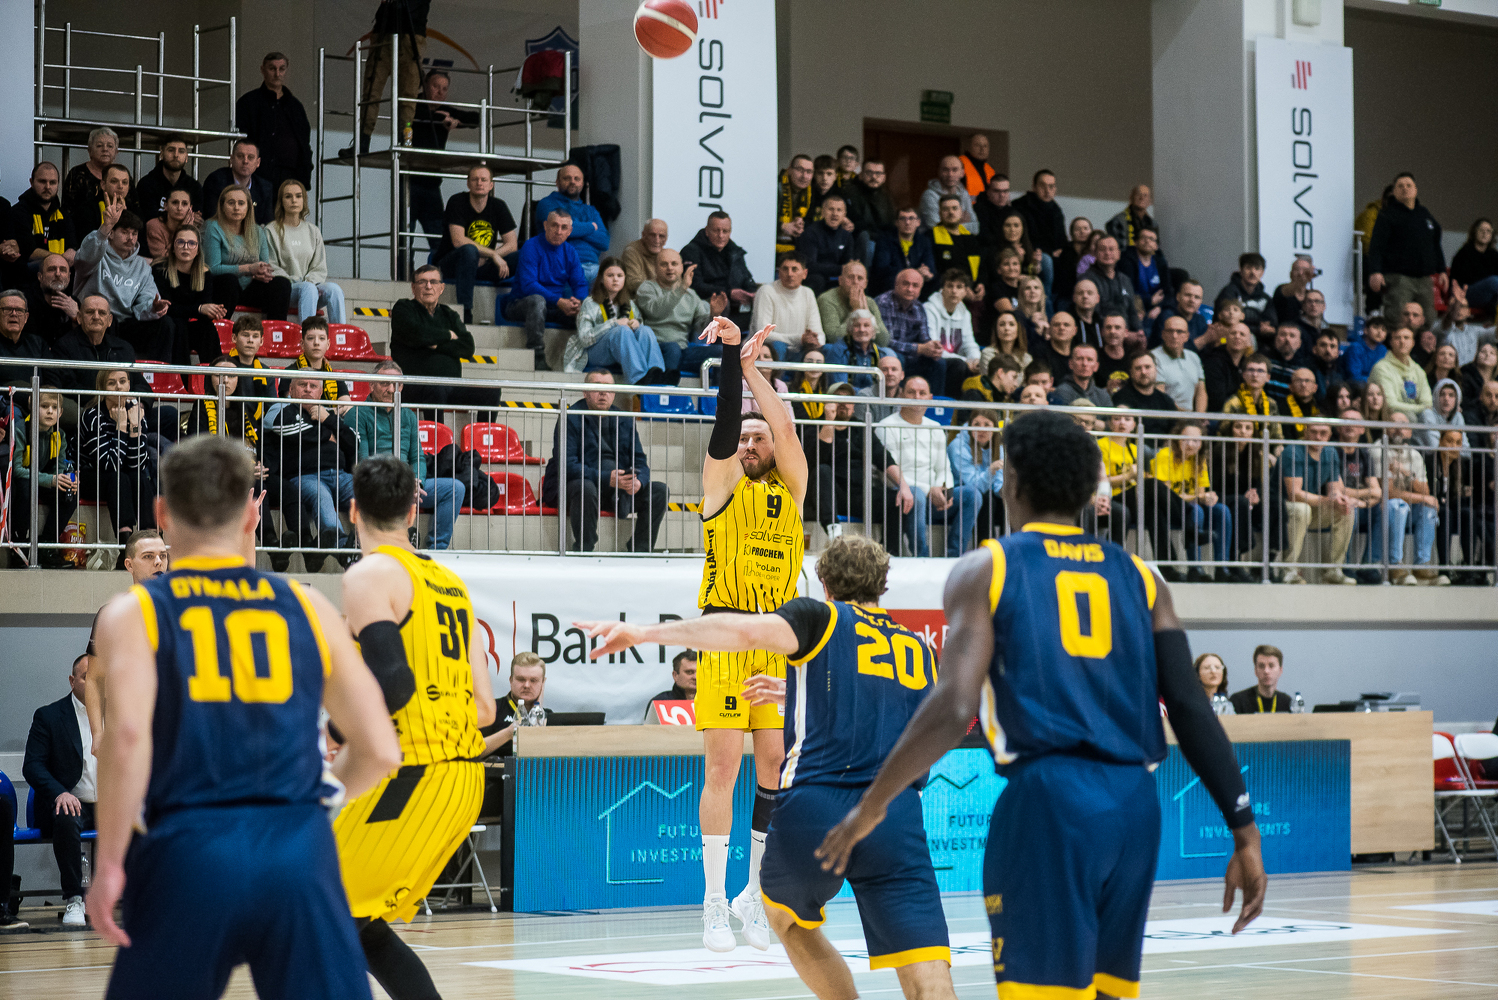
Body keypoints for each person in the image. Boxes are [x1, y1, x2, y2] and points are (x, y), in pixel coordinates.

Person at [816, 409, 1265, 1000]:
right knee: (1107, 992)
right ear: (1087, 490)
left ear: (1012, 483)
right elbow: (1189, 706)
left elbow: (953, 707)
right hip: (1135, 806)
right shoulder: (1144, 577)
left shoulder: (988, 567)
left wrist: (872, 805)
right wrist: (1244, 830)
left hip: (1049, 803)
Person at [84, 435, 402, 997]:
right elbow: (380, 749)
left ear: (162, 513)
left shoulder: (133, 612)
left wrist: (110, 863)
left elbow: (126, 738)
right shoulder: (307, 603)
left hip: (190, 851)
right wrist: (317, 805)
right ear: (253, 514)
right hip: (297, 851)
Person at [578, 535, 958, 1000]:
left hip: (819, 805)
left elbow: (741, 633)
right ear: (882, 584)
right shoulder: (916, 646)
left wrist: (643, 633)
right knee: (927, 970)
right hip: (895, 815)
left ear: (824, 583)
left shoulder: (819, 617)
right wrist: (797, 689)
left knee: (784, 917)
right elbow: (909, 715)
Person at [331, 454, 496, 1000]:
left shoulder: (368, 575)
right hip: (462, 780)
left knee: (310, 907)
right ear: (412, 511)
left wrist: (336, 732)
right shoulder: (451, 585)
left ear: (352, 510)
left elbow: (394, 684)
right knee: (355, 925)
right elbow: (486, 709)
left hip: (410, 776)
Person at [687, 316, 808, 952]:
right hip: (726, 635)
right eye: (745, 438)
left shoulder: (791, 490)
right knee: (723, 768)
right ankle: (713, 902)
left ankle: (754, 895)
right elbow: (726, 427)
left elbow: (785, 429)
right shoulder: (720, 487)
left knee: (774, 769)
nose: (752, 443)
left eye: (759, 437)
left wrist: (754, 371)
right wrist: (733, 362)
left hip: (777, 640)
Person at [542, 370, 670, 553]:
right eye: (597, 387)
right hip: (577, 487)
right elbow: (566, 464)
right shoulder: (571, 417)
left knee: (659, 491)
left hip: (617, 490)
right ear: (585, 392)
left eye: (608, 388)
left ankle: (640, 550)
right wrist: (605, 478)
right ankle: (584, 549)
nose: (603, 393)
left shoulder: (624, 419)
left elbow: (640, 460)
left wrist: (638, 482)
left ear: (614, 393)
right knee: (585, 488)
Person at [23, 655, 98, 925]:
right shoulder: (49, 716)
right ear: (72, 681)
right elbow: (32, 766)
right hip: (69, 803)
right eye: (87, 677)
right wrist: (60, 792)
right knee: (67, 815)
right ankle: (75, 899)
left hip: (107, 805)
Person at [801, 382, 913, 547]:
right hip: (828, 495)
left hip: (859, 493)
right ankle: (835, 534)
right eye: (838, 399)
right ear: (827, 403)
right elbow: (816, 460)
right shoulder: (813, 426)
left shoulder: (860, 428)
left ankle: (889, 552)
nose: (843, 403)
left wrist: (903, 486)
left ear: (853, 406)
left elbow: (883, 458)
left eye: (848, 399)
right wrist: (829, 421)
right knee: (822, 470)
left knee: (896, 500)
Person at [878, 376, 981, 556]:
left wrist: (944, 490)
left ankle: (954, 555)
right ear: (901, 395)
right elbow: (888, 472)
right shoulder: (885, 426)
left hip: (932, 498)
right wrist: (928, 491)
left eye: (922, 393)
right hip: (902, 496)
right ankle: (922, 556)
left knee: (972, 495)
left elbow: (943, 468)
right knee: (916, 494)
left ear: (930, 398)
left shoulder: (935, 427)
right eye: (911, 392)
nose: (917, 397)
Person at [73, 198, 181, 365]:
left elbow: (146, 299)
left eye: (134, 233)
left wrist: (153, 307)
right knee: (110, 321)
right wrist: (104, 229)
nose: (130, 238)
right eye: (124, 232)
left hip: (126, 323)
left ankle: (158, 375)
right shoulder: (97, 255)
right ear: (111, 233)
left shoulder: (141, 266)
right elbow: (83, 259)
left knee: (167, 324)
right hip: (97, 319)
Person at [264, 375, 360, 561]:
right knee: (321, 496)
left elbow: (353, 441)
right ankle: (343, 549)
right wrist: (328, 433)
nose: (308, 389)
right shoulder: (282, 408)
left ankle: (374, 545)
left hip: (341, 475)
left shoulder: (327, 413)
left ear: (321, 392)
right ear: (291, 390)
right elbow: (289, 429)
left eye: (313, 386)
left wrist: (328, 419)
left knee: (368, 493)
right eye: (303, 385)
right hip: (305, 476)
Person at [387, 265, 500, 415]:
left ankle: (484, 432)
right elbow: (416, 334)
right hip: (414, 385)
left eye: (433, 282)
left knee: (491, 392)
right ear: (413, 288)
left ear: (441, 288)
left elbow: (467, 347)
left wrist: (435, 345)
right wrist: (448, 335)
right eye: (422, 282)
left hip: (451, 385)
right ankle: (435, 432)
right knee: (435, 389)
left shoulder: (449, 314)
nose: (428, 286)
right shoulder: (403, 308)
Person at [79, 368, 160, 563]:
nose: (118, 387)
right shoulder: (92, 416)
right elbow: (109, 464)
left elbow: (136, 463)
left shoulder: (136, 412)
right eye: (111, 383)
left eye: (123, 381)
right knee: (119, 477)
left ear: (129, 385)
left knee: (139, 477)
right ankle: (126, 547)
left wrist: (134, 427)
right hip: (89, 475)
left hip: (120, 476)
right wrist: (121, 428)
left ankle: (154, 541)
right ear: (102, 388)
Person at [342, 0, 430, 158]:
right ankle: (363, 141)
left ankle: (405, 142)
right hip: (386, 29)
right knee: (372, 92)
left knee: (407, 96)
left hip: (412, 30)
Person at [405, 70, 479, 255]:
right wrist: (442, 119)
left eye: (444, 89)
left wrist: (455, 121)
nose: (440, 92)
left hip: (432, 184)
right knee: (404, 240)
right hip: (408, 182)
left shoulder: (445, 110)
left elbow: (476, 118)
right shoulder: (411, 105)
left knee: (439, 241)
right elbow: (419, 115)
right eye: (435, 86)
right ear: (425, 86)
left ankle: (438, 272)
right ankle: (403, 273)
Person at [503, 209, 586, 368]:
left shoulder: (570, 252)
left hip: (554, 307)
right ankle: (537, 355)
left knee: (588, 308)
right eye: (554, 225)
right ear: (546, 225)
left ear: (570, 231)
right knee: (538, 301)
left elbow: (580, 283)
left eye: (563, 227)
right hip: (520, 304)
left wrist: (579, 301)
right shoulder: (531, 246)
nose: (558, 231)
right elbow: (529, 286)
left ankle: (581, 360)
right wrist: (559, 301)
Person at [564, 257, 666, 384]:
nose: (615, 279)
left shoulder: (630, 304)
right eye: (610, 275)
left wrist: (637, 325)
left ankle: (658, 374)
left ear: (624, 279)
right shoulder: (590, 303)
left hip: (622, 353)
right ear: (601, 279)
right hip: (594, 353)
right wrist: (613, 324)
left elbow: (640, 337)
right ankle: (638, 379)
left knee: (645, 330)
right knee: (622, 330)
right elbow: (584, 339)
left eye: (619, 276)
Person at [1279, 421, 1357, 585]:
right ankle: (1288, 569)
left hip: (1312, 505)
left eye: (1323, 433)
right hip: (1282, 507)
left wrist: (1339, 499)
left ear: (1330, 435)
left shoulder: (1331, 452)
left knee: (1346, 510)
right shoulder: (1293, 451)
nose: (1318, 437)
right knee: (1302, 509)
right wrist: (1327, 500)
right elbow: (1294, 494)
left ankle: (1334, 570)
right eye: (1314, 432)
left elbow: (1333, 488)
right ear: (1305, 432)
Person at [440, 164, 519, 326]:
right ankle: (465, 312)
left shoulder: (498, 206)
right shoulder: (457, 201)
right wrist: (493, 254)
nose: (479, 183)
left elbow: (512, 244)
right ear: (468, 183)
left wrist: (492, 257)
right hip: (453, 264)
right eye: (475, 179)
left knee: (523, 255)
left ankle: (516, 307)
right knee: (469, 251)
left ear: (491, 185)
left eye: (484, 180)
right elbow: (458, 240)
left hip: (482, 266)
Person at [1367, 172, 1446, 326]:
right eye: (1400, 186)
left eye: (1409, 185)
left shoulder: (1424, 214)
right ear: (1394, 191)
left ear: (1415, 190)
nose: (1405, 188)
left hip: (1424, 278)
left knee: (1428, 319)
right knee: (1398, 318)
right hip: (1398, 278)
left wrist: (1442, 269)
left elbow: (1435, 244)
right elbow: (1376, 246)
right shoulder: (1387, 215)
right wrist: (1375, 271)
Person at [12, 389, 79, 566]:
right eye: (44, 406)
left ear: (61, 412)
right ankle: (19, 545)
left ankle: (47, 545)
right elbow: (17, 470)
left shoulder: (60, 434)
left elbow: (59, 467)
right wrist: (51, 480)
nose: (50, 411)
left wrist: (68, 478)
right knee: (24, 489)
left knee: (69, 493)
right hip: (22, 482)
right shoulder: (20, 429)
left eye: (55, 407)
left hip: (44, 481)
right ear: (33, 407)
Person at [204, 186, 292, 320]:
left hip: (250, 287)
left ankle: (275, 329)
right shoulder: (213, 227)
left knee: (282, 284)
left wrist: (261, 272)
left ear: (248, 207)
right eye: (231, 203)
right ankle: (221, 327)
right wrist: (248, 268)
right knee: (229, 281)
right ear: (222, 206)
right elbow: (213, 268)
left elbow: (264, 264)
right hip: (224, 288)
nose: (236, 208)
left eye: (241, 203)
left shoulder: (258, 231)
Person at [266, 179, 345, 324]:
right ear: (281, 201)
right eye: (288, 196)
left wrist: (310, 282)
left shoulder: (313, 231)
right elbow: (271, 265)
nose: (294, 200)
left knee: (335, 290)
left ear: (304, 200)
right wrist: (300, 283)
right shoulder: (271, 230)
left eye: (298, 196)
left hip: (311, 287)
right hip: (288, 290)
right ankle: (308, 334)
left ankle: (340, 335)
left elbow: (319, 267)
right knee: (308, 289)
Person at [1211, 418, 1282, 576]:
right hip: (1222, 498)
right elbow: (1213, 487)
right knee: (1240, 502)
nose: (1243, 431)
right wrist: (1243, 497)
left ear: (1253, 433)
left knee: (1275, 503)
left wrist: (1256, 495)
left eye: (1248, 428)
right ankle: (1235, 560)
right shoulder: (1218, 452)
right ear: (1231, 430)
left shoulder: (1256, 453)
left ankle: (1270, 558)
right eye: (1238, 427)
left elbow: (1258, 484)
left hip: (1245, 502)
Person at [1378, 411, 1443, 585]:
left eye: (1403, 425)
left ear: (1410, 432)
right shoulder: (1379, 450)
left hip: (1409, 508)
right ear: (1385, 429)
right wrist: (1420, 497)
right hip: (1384, 509)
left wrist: (1407, 474)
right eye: (1394, 424)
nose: (1399, 429)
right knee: (1398, 505)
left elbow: (1425, 491)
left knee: (1429, 509)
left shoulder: (1414, 455)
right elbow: (1388, 492)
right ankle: (1395, 565)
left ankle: (1421, 565)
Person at [235, 53, 313, 195]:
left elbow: (304, 143)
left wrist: (305, 175)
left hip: (292, 175)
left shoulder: (295, 106)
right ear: (262, 70)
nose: (277, 74)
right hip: (259, 174)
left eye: (281, 69)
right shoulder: (248, 102)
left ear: (286, 70)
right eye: (272, 68)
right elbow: (241, 141)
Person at [637, 248, 719, 375]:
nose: (669, 268)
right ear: (655, 268)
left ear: (681, 267)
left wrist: (714, 315)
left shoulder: (691, 295)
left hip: (683, 351)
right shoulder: (647, 288)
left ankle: (722, 389)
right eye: (664, 264)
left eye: (674, 264)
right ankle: (663, 385)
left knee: (722, 352)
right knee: (672, 348)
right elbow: (656, 312)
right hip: (655, 350)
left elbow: (700, 328)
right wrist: (681, 289)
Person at [1429, 427, 1495, 586]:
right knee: (1446, 514)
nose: (1453, 446)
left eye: (1458, 443)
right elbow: (1432, 492)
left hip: (1451, 506)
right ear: (1440, 442)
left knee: (1468, 513)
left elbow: (1459, 497)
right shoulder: (1430, 462)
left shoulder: (1462, 465)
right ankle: (1444, 569)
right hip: (1434, 507)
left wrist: (1464, 494)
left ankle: (1469, 567)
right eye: (1449, 441)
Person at [150, 226, 224, 363]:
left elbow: (204, 309)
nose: (186, 247)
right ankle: (182, 376)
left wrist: (213, 311)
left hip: (187, 329)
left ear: (198, 249)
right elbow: (167, 308)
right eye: (180, 242)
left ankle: (217, 373)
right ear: (173, 247)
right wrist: (199, 309)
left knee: (207, 328)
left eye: (191, 243)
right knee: (178, 324)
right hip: (167, 328)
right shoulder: (160, 270)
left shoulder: (204, 273)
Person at [52, 295, 144, 395]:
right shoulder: (64, 346)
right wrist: (106, 400)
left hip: (119, 403)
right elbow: (68, 387)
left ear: (109, 320)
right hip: (81, 404)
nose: (96, 317)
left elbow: (140, 384)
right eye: (90, 312)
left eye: (102, 313)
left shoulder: (123, 348)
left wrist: (140, 402)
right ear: (79, 318)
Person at [534, 164, 609, 284]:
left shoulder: (591, 210)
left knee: (616, 281)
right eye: (567, 178)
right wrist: (591, 227)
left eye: (577, 179)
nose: (572, 182)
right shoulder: (547, 204)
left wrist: (575, 228)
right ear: (557, 182)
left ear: (582, 184)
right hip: (563, 265)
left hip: (594, 268)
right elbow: (560, 230)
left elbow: (604, 241)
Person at [682, 211, 758, 329]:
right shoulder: (691, 251)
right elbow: (694, 285)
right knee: (721, 302)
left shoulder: (735, 252)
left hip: (736, 303)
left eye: (725, 231)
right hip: (707, 302)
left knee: (763, 297)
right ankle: (719, 341)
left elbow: (746, 279)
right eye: (716, 231)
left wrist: (752, 293)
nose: (721, 235)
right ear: (707, 231)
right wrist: (728, 293)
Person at [480, 653, 553, 759]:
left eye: (533, 680)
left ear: (542, 683)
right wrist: (508, 734)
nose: (527, 685)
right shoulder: (491, 709)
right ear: (511, 680)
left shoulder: (547, 716)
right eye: (521, 679)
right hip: (495, 770)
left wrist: (538, 713)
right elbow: (470, 752)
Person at [750, 253, 824, 358]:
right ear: (779, 273)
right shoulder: (766, 291)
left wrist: (815, 340)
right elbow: (762, 333)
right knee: (778, 346)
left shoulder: (808, 293)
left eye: (794, 269)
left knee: (828, 349)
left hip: (799, 349)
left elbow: (818, 333)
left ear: (805, 273)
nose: (790, 274)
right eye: (785, 269)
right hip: (769, 349)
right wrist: (800, 339)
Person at [923, 268, 981, 396]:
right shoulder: (929, 308)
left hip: (957, 361)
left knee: (977, 366)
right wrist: (966, 361)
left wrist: (976, 360)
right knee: (959, 365)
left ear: (965, 291)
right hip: (933, 359)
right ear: (942, 289)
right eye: (950, 286)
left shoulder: (965, 313)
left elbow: (969, 343)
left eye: (959, 287)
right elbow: (934, 346)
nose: (954, 291)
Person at [949, 411, 1005, 540]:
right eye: (977, 424)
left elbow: (999, 484)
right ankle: (985, 547)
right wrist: (991, 470)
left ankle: (1008, 547)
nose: (981, 429)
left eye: (987, 425)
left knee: (1006, 500)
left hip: (986, 493)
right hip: (962, 495)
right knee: (986, 499)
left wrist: (1006, 491)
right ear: (969, 426)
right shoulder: (957, 446)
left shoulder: (999, 448)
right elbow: (973, 485)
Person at [13, 163, 76, 269]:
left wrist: (71, 251)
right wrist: (60, 259)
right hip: (28, 273)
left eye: (52, 182)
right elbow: (28, 251)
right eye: (42, 181)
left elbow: (72, 245)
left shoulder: (63, 214)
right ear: (31, 182)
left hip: (61, 272)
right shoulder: (18, 212)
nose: (47, 187)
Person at [131, 134, 203, 224]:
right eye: (171, 150)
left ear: (186, 157)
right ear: (161, 154)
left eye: (181, 151)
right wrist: (183, 218)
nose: (176, 155)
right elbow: (150, 220)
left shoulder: (194, 187)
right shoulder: (146, 184)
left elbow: (196, 220)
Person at [202, 140, 276, 227]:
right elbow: (212, 218)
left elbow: (267, 224)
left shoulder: (265, 187)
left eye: (250, 157)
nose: (245, 161)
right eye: (240, 156)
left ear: (258, 162)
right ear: (231, 159)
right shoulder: (216, 181)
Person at [0, 288, 62, 390]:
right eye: (7, 309)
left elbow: (53, 380)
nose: (14, 314)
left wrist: (45, 396)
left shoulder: (38, 344)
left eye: (19, 310)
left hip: (39, 399)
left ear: (26, 318)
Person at [818, 259, 889, 347]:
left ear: (865, 284)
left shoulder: (870, 302)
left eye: (860, 278)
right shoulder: (827, 299)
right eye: (851, 277)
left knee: (889, 353)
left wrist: (868, 314)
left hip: (865, 348)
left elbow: (883, 341)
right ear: (840, 280)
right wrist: (855, 311)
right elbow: (833, 339)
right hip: (840, 349)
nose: (855, 282)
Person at [797, 193, 856, 294]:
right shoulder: (811, 233)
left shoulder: (847, 236)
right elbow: (810, 266)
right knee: (817, 280)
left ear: (844, 214)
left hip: (837, 277)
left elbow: (847, 263)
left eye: (839, 210)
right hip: (816, 277)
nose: (835, 214)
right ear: (822, 212)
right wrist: (840, 269)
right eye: (831, 209)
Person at [870, 207, 936, 296]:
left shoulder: (924, 241)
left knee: (935, 280)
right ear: (896, 223)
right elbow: (882, 269)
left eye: (911, 218)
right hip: (892, 285)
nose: (907, 222)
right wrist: (913, 273)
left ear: (918, 222)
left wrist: (928, 274)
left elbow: (930, 265)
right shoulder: (885, 240)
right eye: (902, 218)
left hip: (917, 283)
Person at [930, 195, 986, 300]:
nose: (951, 212)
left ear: (961, 212)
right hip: (944, 295)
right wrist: (962, 289)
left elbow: (981, 267)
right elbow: (935, 272)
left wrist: (981, 283)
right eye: (946, 209)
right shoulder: (931, 237)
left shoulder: (970, 238)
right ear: (939, 213)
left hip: (973, 294)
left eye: (954, 208)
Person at [1112, 350, 1181, 433]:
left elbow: (1174, 430)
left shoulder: (1166, 401)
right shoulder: (1120, 398)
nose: (1143, 372)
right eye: (1138, 368)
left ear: (1156, 370)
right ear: (1131, 372)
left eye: (1147, 367)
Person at [1371, 326, 1433, 418]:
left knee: (1428, 415)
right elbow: (1390, 404)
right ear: (1391, 342)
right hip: (1391, 418)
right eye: (1397, 338)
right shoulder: (1381, 368)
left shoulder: (1418, 370)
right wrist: (1421, 408)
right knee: (1409, 415)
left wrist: (1423, 409)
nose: (1402, 341)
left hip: (1418, 418)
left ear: (1413, 343)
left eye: (1406, 338)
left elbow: (1427, 403)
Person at [1215, 253, 1278, 342]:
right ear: (1241, 270)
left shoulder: (1265, 298)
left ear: (1262, 273)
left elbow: (1271, 326)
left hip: (1259, 342)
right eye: (1248, 268)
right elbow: (1227, 322)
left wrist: (1267, 329)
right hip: (1228, 339)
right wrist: (1258, 329)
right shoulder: (1229, 292)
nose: (1253, 273)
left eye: (1257, 269)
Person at [62, 128, 118, 227]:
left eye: (110, 146)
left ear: (116, 152)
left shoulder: (122, 175)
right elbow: (67, 211)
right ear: (90, 150)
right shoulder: (76, 174)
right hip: (81, 230)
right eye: (99, 145)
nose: (105, 149)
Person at [1082, 236, 1141, 332]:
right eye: (1102, 249)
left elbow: (1132, 312)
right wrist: (1122, 333)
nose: (1107, 253)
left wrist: (1139, 331)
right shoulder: (1087, 281)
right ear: (1095, 254)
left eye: (1111, 249)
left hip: (1126, 332)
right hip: (1102, 333)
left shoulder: (1125, 280)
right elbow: (1091, 315)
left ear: (1118, 254)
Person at [1223, 354, 1285, 443]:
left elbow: (1277, 437)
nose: (1255, 375)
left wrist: (1278, 448)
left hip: (1266, 449)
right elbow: (1224, 435)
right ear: (1244, 375)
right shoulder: (1233, 402)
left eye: (1260, 371)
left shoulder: (1271, 403)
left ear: (1268, 377)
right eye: (1251, 370)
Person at [1151, 315, 1207, 411]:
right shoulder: (1153, 357)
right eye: (1170, 331)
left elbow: (1201, 391)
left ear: (1187, 336)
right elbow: (1160, 396)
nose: (1174, 336)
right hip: (1165, 414)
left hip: (1190, 416)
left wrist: (1200, 416)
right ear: (1163, 334)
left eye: (1179, 331)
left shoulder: (1194, 357)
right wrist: (1185, 415)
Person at [1120, 227, 1173, 328]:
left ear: (1156, 246)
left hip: (1157, 306)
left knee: (1168, 317)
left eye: (1151, 239)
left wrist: (1159, 308)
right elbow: (1127, 292)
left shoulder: (1160, 262)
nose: (1147, 241)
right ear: (1136, 242)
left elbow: (1168, 292)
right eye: (1143, 238)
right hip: (1135, 307)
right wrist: (1150, 300)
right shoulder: (1127, 261)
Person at [823, 309, 887, 390]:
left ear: (873, 331)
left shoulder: (880, 353)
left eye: (866, 325)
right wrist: (867, 395)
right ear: (850, 330)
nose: (862, 330)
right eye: (857, 325)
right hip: (847, 397)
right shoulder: (838, 351)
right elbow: (841, 387)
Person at [1010, 168, 1067, 258]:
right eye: (1042, 186)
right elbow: (1026, 240)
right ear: (1034, 187)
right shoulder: (1020, 206)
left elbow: (1062, 240)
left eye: (1051, 186)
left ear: (1055, 189)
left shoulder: (1056, 211)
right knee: (1046, 259)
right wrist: (1050, 253)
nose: (1047, 191)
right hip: (1029, 254)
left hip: (1053, 255)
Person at [918, 155, 977, 233]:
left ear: (962, 173)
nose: (950, 174)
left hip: (961, 239)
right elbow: (936, 229)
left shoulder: (964, 193)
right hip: (934, 240)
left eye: (955, 170)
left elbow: (975, 228)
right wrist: (961, 223)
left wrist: (949, 224)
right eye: (945, 170)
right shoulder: (929, 196)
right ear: (939, 172)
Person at [843, 159, 896, 243]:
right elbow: (859, 225)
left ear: (884, 178)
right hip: (861, 239)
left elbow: (891, 222)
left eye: (878, 173)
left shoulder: (886, 195)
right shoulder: (850, 193)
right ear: (861, 175)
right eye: (869, 173)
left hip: (883, 239)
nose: (874, 177)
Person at [1451, 216, 1498, 311]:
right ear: (1475, 232)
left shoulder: (1493, 254)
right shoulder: (1464, 252)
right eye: (1481, 230)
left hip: (1488, 295)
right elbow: (1461, 279)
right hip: (1466, 293)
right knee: (1493, 281)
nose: (1485, 233)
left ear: (1492, 235)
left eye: (1488, 231)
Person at [1229, 645, 1293, 713]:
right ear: (1255, 670)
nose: (1266, 671)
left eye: (1271, 666)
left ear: (1280, 670)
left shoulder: (1287, 703)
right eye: (1261, 666)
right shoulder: (1238, 701)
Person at [1151, 279, 1209, 348]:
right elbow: (1174, 349)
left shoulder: (1200, 320)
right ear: (1178, 297)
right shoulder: (1167, 317)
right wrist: (1204, 339)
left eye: (1197, 297)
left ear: (1201, 302)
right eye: (1188, 295)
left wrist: (1218, 338)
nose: (1192, 300)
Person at [776, 154, 814, 258]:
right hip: (770, 247)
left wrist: (802, 224)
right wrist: (782, 226)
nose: (804, 176)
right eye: (800, 170)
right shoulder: (775, 187)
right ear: (789, 169)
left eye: (809, 172)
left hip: (797, 250)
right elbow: (760, 218)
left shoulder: (812, 192)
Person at [144, 188, 197, 261]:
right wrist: (181, 230)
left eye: (184, 204)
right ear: (165, 205)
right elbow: (163, 259)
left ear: (190, 208)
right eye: (175, 203)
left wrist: (187, 230)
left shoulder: (193, 228)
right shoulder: (154, 225)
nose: (179, 208)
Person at [1052, 343, 1111, 407]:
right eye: (1079, 359)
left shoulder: (1103, 396)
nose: (1084, 364)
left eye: (1089, 360)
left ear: (1096, 366)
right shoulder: (1060, 393)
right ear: (1070, 364)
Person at [644, 651, 698, 719]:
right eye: (689, 672)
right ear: (675, 675)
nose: (695, 677)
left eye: (700, 672)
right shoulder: (660, 702)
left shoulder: (711, 703)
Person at [621, 217, 667, 295]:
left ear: (666, 239)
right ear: (644, 235)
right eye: (652, 235)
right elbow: (632, 283)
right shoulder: (631, 252)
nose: (657, 240)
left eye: (661, 236)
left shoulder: (666, 255)